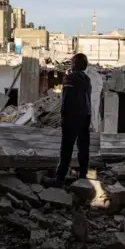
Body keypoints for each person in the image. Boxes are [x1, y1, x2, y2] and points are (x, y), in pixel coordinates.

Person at [45, 53, 92, 188]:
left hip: (72, 116)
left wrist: (63, 116)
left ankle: (60, 178)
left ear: (75, 64)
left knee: (66, 148)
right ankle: (83, 174)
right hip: (85, 115)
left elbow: (66, 100)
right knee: (83, 147)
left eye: (72, 62)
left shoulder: (69, 78)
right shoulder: (87, 79)